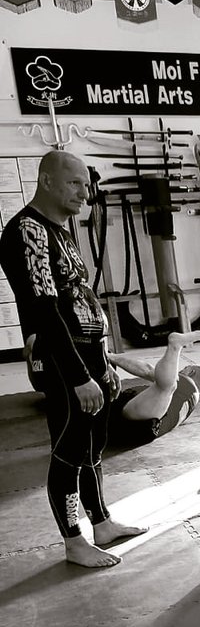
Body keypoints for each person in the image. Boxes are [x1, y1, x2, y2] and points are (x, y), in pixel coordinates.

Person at [0, 150, 144, 567]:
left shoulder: (60, 230)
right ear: (46, 181)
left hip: (87, 357)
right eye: (75, 183)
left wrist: (105, 363)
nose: (86, 192)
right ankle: (73, 540)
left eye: (87, 184)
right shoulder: (28, 231)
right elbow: (45, 310)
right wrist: (81, 375)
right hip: (64, 364)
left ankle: (101, 521)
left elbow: (82, 301)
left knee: (94, 445)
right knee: (69, 447)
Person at [106, 330, 200, 448]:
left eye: (185, 368)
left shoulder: (187, 383)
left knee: (166, 387)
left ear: (192, 372)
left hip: (130, 412)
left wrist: (109, 356)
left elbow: (146, 370)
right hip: (142, 434)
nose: (180, 370)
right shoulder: (189, 402)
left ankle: (174, 348)